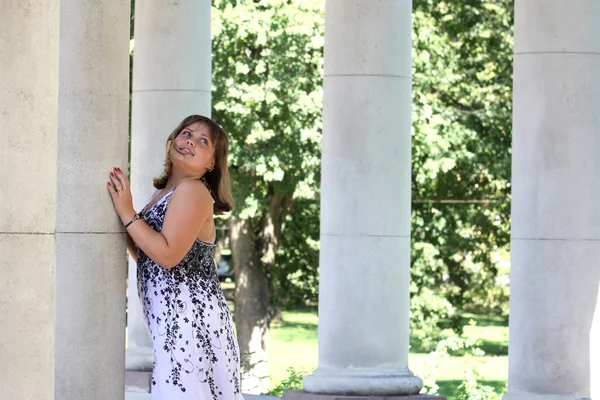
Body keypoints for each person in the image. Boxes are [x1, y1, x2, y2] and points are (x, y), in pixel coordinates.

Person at [107, 115, 243, 400]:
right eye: (187, 133)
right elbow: (149, 254)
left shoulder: (193, 190)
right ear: (173, 140)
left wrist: (127, 212)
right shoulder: (163, 193)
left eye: (203, 141)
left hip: (192, 323)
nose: (191, 140)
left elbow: (167, 256)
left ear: (212, 163)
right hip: (175, 323)